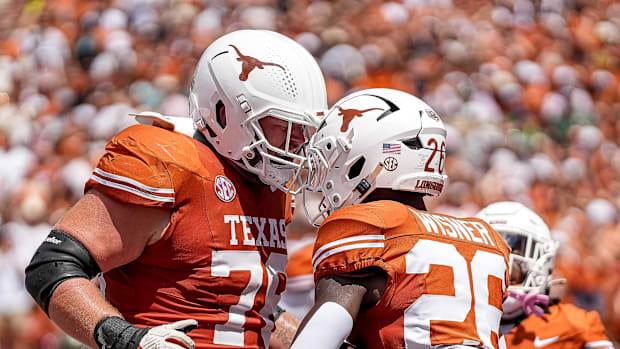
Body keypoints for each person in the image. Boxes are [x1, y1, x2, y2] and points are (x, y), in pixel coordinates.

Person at [24, 29, 327, 349]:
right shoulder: (169, 163)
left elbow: (247, 308)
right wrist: (126, 339)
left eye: (303, 131)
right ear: (225, 113)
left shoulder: (271, 190)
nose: (298, 144)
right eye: (283, 126)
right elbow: (52, 266)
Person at [290, 88, 511, 349]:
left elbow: (323, 330)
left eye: (334, 157)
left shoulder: (372, 225)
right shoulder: (487, 237)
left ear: (373, 156)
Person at [476, 201, 615, 349]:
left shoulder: (572, 326)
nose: (507, 266)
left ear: (544, 259)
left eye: (516, 252)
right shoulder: (452, 321)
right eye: (492, 252)